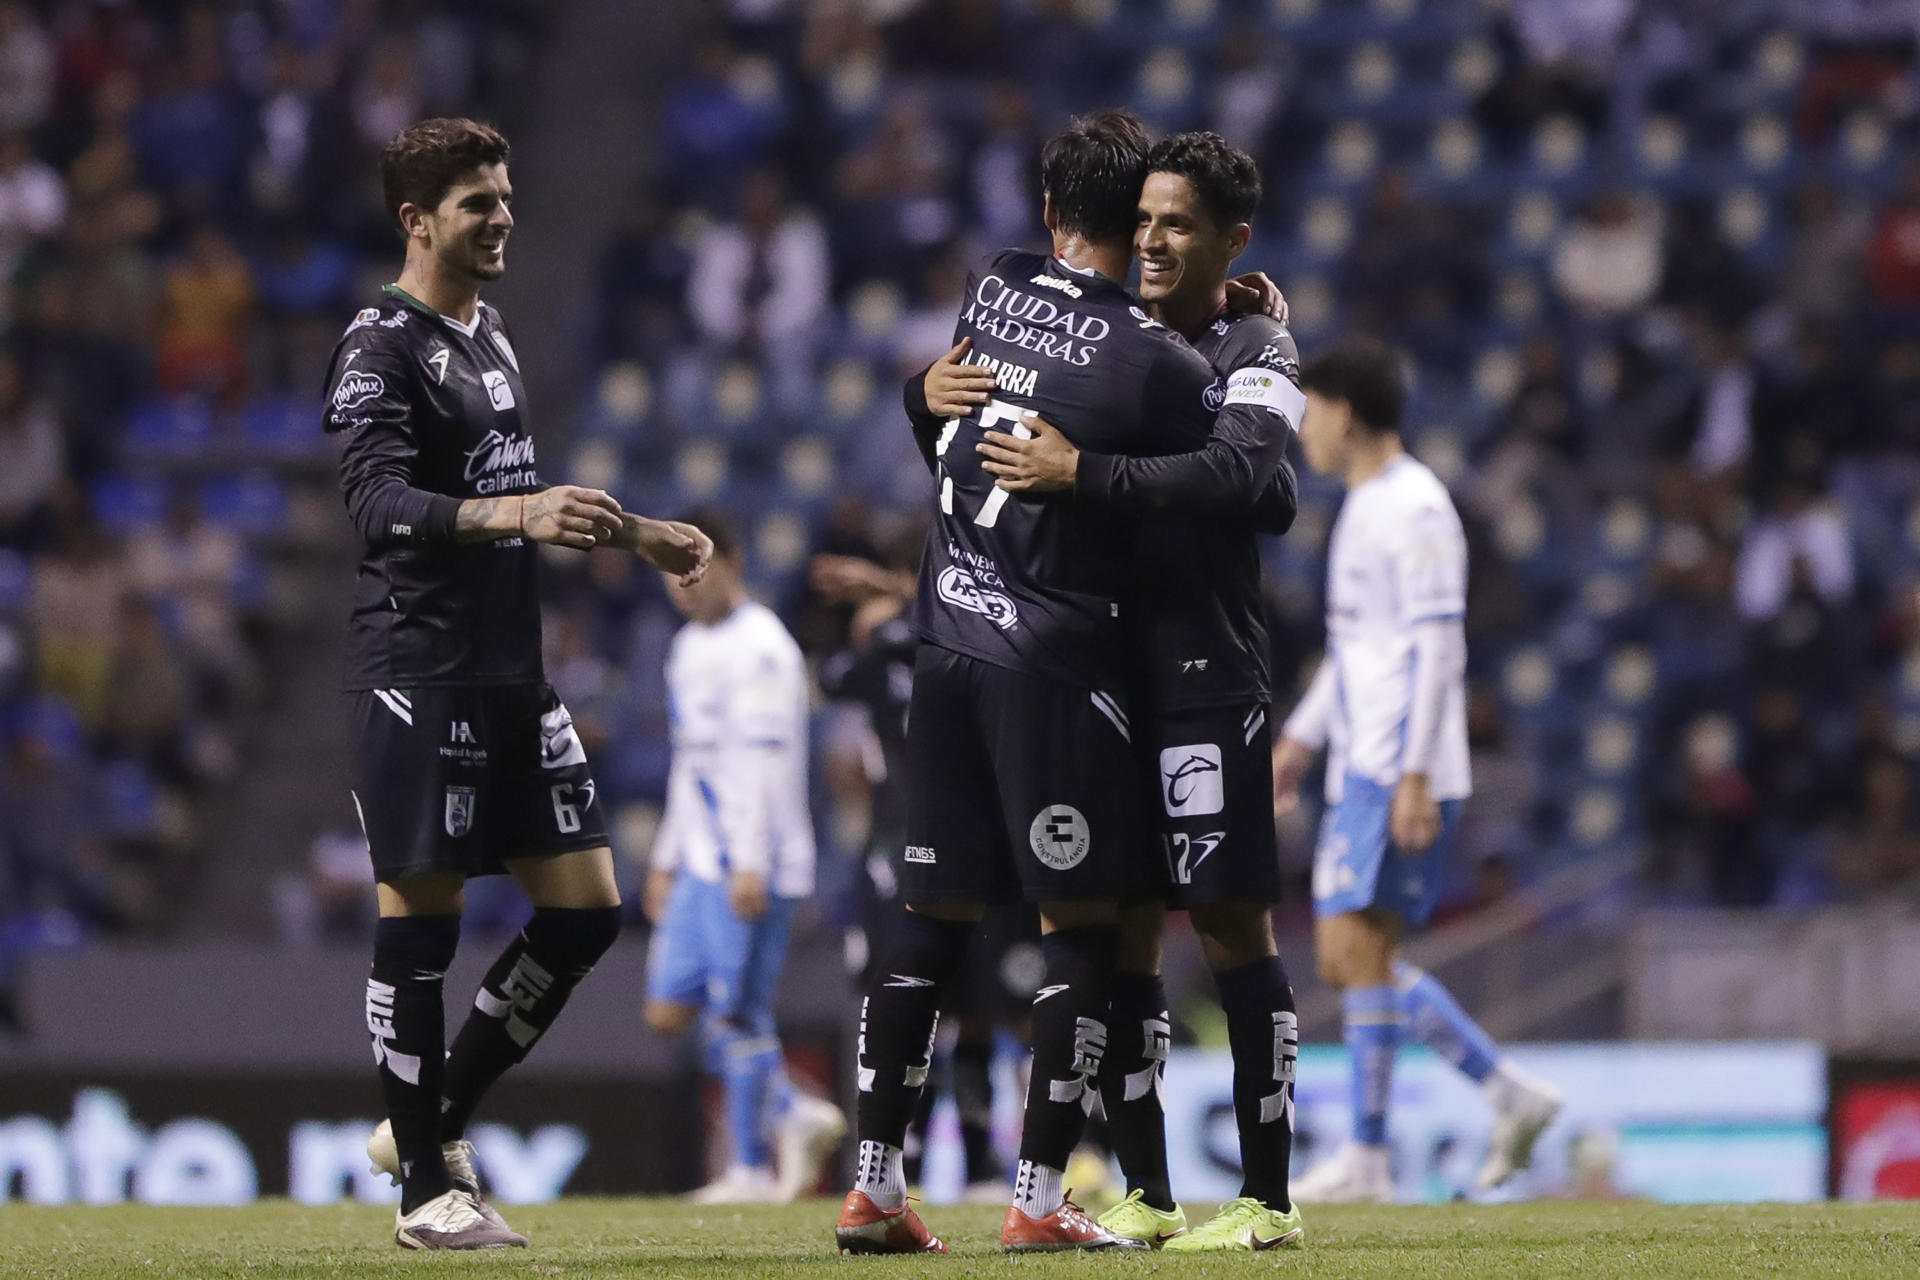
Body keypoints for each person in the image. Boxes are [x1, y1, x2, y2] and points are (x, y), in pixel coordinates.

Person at [832, 109, 1227, 1256]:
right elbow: (1234, 475)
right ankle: (1039, 1195)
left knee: (928, 920)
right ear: (1138, 224)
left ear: (1051, 212)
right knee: (1082, 931)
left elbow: (946, 407)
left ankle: (874, 1187)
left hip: (944, 641)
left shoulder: (992, 282)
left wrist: (920, 398)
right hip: (1055, 663)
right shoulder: (1158, 361)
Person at [327, 117, 713, 1251]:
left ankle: (431, 1116)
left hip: (509, 673)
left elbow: (510, 489)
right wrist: (517, 511)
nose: (501, 217)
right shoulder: (377, 343)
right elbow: (376, 503)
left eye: (504, 196)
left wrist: (632, 531)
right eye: (477, 203)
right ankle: (423, 1197)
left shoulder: (487, 337)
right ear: (418, 220)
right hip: (418, 669)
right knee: (423, 922)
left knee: (587, 907)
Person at [958, 132, 1307, 1251]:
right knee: (1118, 939)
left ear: (1230, 242)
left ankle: (1268, 1201)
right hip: (1105, 672)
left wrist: (1087, 473)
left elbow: (1256, 477)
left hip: (1208, 674)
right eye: (1145, 219)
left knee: (1230, 922)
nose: (1152, 239)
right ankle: (1150, 1191)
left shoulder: (1255, 338)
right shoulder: (1115, 334)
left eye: (1179, 224)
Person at [1271, 337, 1562, 1203]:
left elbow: (1440, 646)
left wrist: (1411, 775)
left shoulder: (1418, 508)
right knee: (1350, 957)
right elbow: (1354, 650)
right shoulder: (1362, 507)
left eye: (1311, 413)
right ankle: (1507, 1094)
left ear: (1346, 413)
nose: (1303, 433)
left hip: (1398, 764)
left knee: (1357, 951)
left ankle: (1369, 1156)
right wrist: (1299, 740)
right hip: (1362, 757)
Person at [643, 509, 845, 1204]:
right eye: (667, 576)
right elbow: (687, 761)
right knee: (670, 1009)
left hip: (752, 856)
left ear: (727, 560)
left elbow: (763, 765)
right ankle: (793, 1109)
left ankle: (751, 1170)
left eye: (688, 571)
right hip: (698, 853)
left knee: (737, 1010)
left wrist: (750, 859)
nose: (679, 589)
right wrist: (667, 855)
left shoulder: (763, 648)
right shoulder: (685, 647)